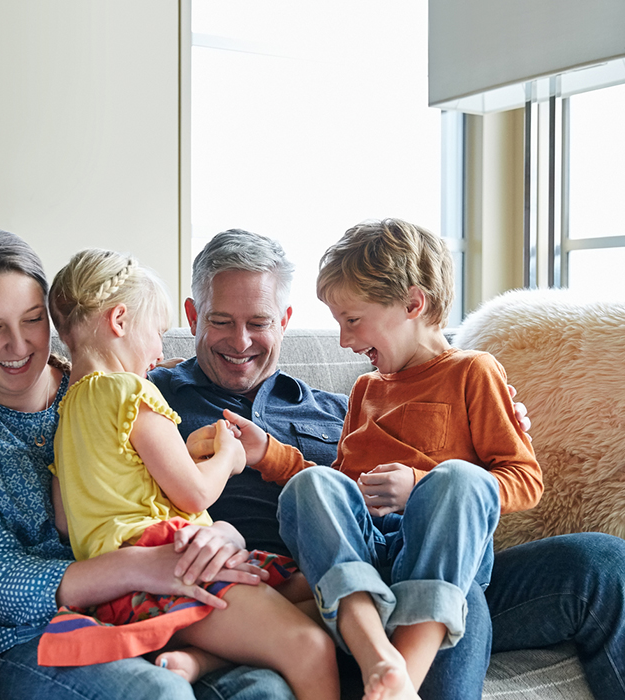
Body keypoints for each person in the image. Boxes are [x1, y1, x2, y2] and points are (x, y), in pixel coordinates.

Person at [149, 227, 625, 700]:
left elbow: (508, 477)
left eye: (258, 322)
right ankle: (389, 665)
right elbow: (330, 488)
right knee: (331, 499)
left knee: (603, 560)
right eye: (220, 321)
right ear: (192, 317)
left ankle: (398, 675)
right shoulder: (152, 399)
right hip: (317, 580)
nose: (241, 341)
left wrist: (479, 441)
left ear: (284, 321)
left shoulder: (349, 398)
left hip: (435, 561)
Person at [0, 228, 300, 700]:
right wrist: (140, 567)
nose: (18, 346)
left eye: (33, 320)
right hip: (30, 635)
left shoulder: (113, 386)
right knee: (161, 695)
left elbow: (170, 500)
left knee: (265, 689)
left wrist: (219, 536)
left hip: (154, 607)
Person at [39, 248, 336, 697]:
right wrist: (229, 459)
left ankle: (198, 659)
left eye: (258, 322)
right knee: (312, 646)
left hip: (120, 591)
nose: (160, 351)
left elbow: (68, 518)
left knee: (316, 595)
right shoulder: (133, 391)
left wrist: (188, 451)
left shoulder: (66, 415)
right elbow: (196, 495)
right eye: (158, 333)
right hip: (178, 561)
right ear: (119, 320)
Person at [264, 219, 540, 699]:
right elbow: (340, 490)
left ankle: (402, 680)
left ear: (414, 304)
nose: (346, 341)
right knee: (311, 489)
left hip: (440, 553)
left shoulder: (473, 371)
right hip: (367, 557)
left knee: (458, 479)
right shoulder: (365, 388)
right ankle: (378, 658)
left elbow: (524, 479)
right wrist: (268, 455)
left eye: (353, 320)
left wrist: (419, 485)